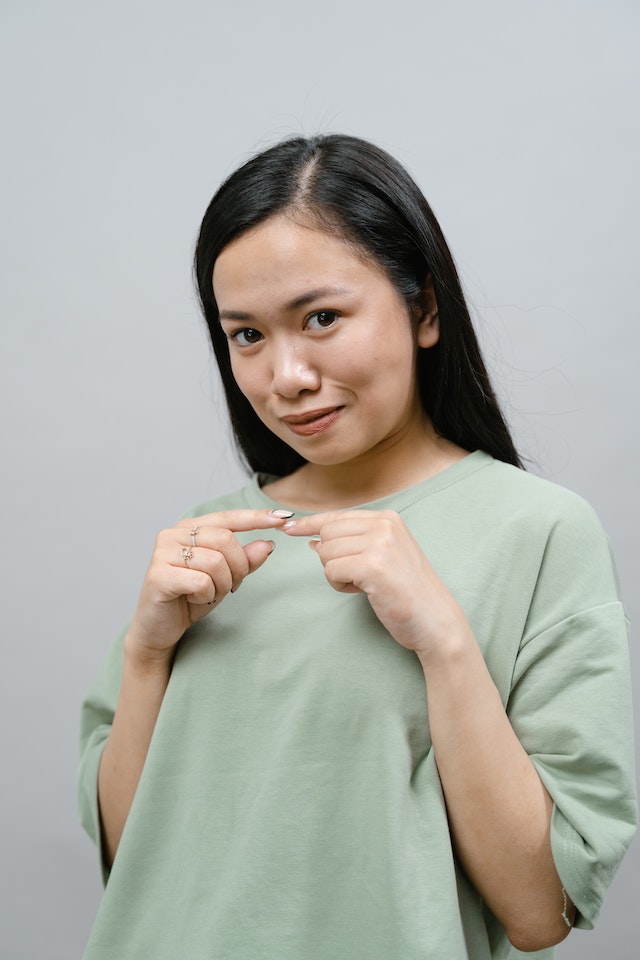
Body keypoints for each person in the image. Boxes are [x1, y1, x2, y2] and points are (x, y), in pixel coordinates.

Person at [78, 134, 637, 960]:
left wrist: (443, 640)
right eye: (246, 336)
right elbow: (138, 868)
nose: (287, 377)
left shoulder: (539, 531)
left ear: (425, 309)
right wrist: (147, 654)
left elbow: (538, 910)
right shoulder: (206, 545)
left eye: (322, 318)